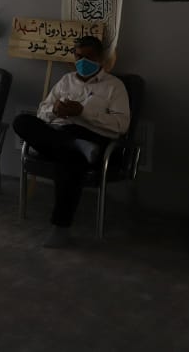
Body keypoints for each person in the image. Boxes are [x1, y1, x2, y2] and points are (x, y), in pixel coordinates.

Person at [12, 35, 130, 248]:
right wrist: (54, 110)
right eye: (78, 56)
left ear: (100, 59)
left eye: (88, 57)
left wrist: (84, 112)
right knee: (21, 121)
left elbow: (121, 125)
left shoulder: (114, 86)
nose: (82, 61)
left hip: (92, 137)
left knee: (69, 160)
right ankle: (74, 144)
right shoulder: (66, 80)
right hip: (60, 133)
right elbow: (42, 111)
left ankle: (60, 228)